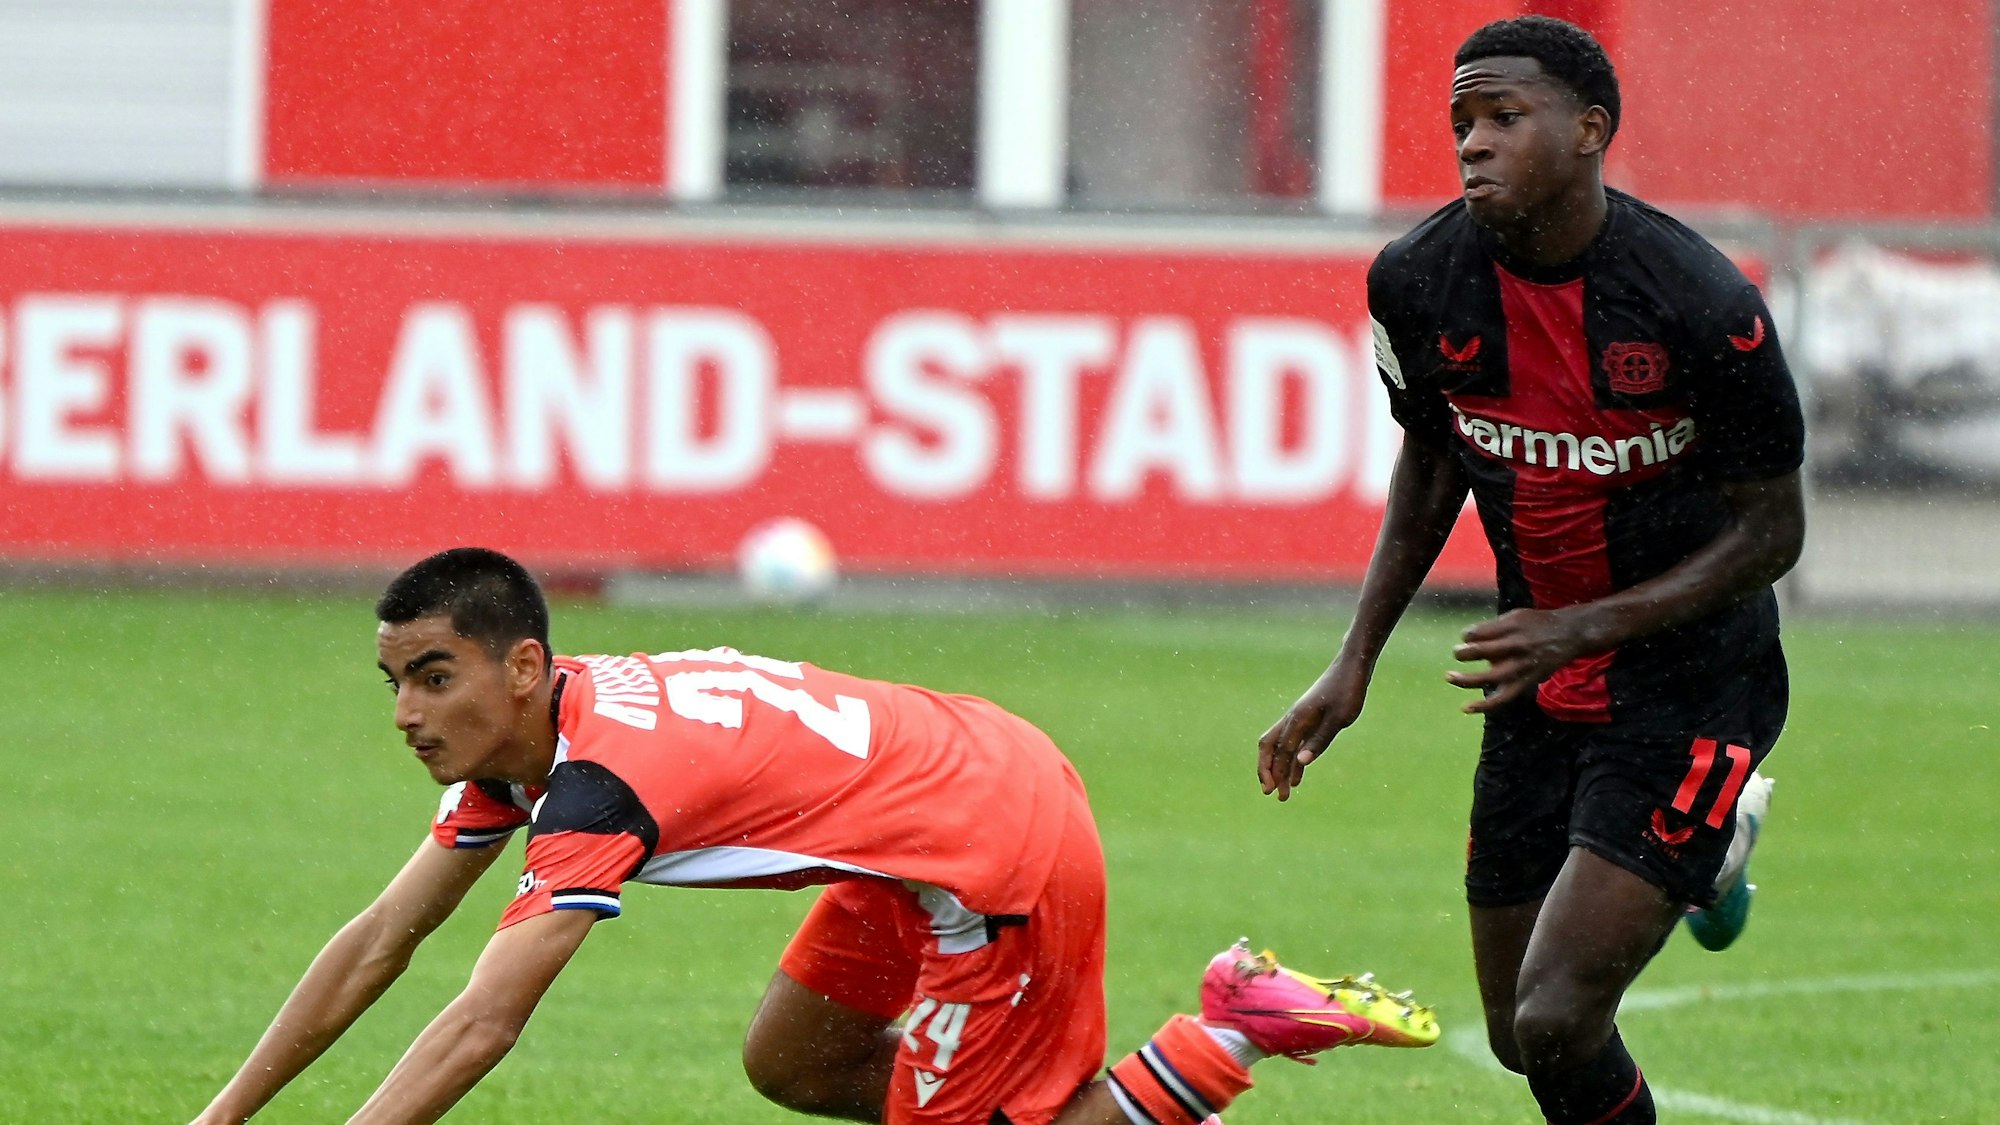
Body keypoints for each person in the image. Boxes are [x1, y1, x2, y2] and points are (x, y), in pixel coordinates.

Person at [192, 547, 1438, 1125]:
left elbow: (483, 1019)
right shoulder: (534, 743)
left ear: (523, 666)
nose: (408, 713)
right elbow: (379, 943)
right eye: (395, 682)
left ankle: (1225, 1030)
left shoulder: (594, 788)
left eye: (432, 678)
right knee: (791, 1065)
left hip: (984, 844)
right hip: (914, 809)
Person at [1256, 15, 1803, 1125]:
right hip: (1535, 684)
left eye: (1503, 118)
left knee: (1558, 1015)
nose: (1471, 143)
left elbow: (1771, 536)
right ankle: (1720, 850)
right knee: (1517, 1035)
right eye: (1460, 121)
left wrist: (1587, 624)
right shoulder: (1414, 281)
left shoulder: (1700, 304)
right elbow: (1431, 461)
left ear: (1588, 131)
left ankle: (1714, 817)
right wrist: (1350, 661)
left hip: (1690, 689)